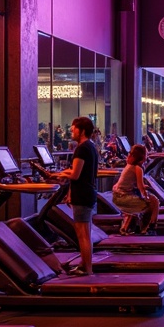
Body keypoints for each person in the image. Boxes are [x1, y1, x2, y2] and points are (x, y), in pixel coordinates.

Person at [50, 117, 99, 275]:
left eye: (74, 129)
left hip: (82, 194)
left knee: (82, 234)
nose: (71, 131)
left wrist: (60, 174)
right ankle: (85, 265)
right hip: (88, 193)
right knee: (86, 232)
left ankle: (87, 268)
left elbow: (76, 174)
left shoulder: (81, 148)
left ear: (82, 131)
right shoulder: (91, 147)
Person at [112, 144, 160, 235]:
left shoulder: (130, 165)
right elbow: (140, 187)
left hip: (119, 196)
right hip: (123, 197)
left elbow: (135, 183)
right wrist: (146, 197)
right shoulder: (138, 168)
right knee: (151, 204)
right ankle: (147, 228)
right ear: (142, 156)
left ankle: (143, 227)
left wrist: (144, 189)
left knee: (153, 200)